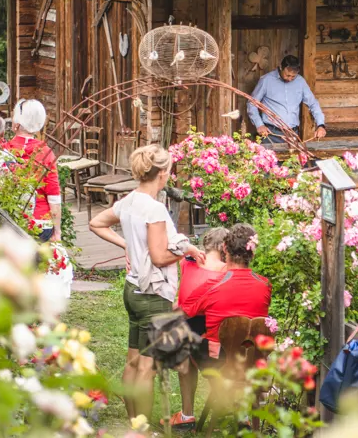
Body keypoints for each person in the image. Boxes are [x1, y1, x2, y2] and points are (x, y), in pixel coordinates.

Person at [87, 144, 204, 420]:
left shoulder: (128, 201)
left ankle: (132, 422)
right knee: (147, 368)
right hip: (153, 294)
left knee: (133, 360)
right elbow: (160, 256)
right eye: (169, 169)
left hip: (132, 289)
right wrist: (186, 251)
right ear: (162, 173)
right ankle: (142, 428)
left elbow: (96, 223)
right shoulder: (155, 210)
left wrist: (127, 245)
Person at [170, 226, 229, 431]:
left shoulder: (187, 264)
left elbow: (176, 247)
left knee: (186, 362)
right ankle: (228, 407)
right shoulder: (228, 271)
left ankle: (186, 415)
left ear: (205, 245)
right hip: (215, 334)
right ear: (225, 249)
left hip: (187, 326)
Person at [184, 223, 272, 360]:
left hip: (218, 361)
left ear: (225, 248)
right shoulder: (265, 285)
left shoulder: (211, 286)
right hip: (253, 359)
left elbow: (185, 311)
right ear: (252, 253)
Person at [3, 99, 61, 242]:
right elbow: (53, 197)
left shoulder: (4, 150)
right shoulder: (46, 153)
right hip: (41, 224)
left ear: (16, 124)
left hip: (11, 220)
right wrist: (57, 232)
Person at [247, 54, 326, 143]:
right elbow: (252, 103)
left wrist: (321, 125)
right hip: (270, 134)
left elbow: (313, 103)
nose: (289, 79)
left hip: (292, 134)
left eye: (293, 76)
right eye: (287, 75)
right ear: (281, 67)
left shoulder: (300, 82)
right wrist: (259, 125)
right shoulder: (266, 80)